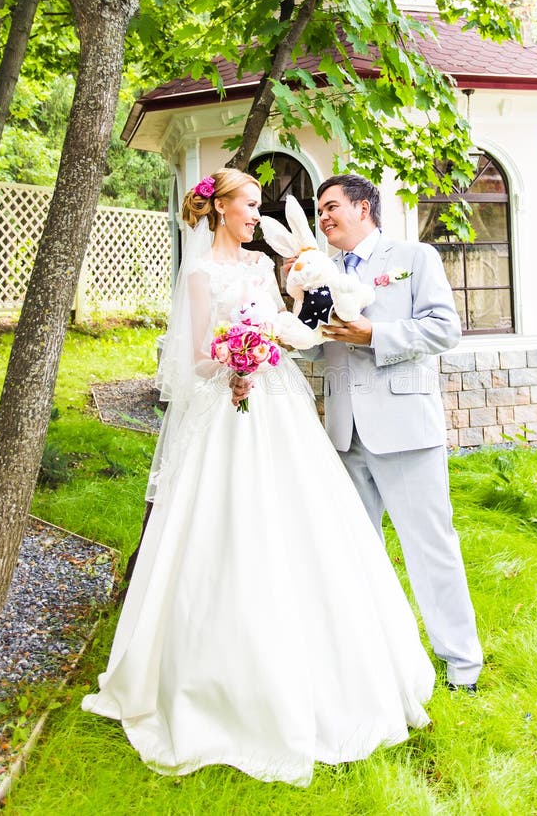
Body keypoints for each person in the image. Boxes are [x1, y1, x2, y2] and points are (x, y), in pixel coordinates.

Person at [82, 168, 434, 786]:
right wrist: (232, 359)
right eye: (248, 205)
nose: (256, 214)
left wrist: (307, 306)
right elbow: (191, 356)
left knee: (306, 524)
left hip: (276, 402)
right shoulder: (199, 273)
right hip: (224, 410)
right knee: (222, 529)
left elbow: (286, 332)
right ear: (219, 210)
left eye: (256, 205)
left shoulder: (255, 269)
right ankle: (211, 682)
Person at [300, 174, 483, 692]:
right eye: (320, 208)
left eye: (332, 205)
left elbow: (445, 328)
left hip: (404, 429)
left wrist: (375, 333)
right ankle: (376, 664)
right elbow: (313, 346)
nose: (323, 216)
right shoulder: (321, 273)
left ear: (364, 208)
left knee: (430, 547)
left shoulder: (412, 257)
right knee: (356, 552)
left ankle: (461, 666)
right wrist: (289, 314)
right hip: (343, 433)